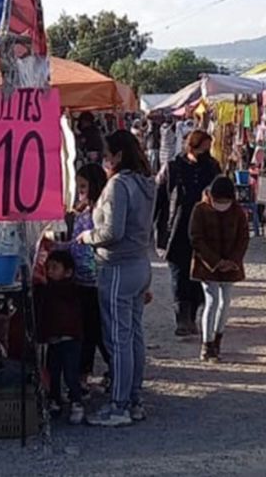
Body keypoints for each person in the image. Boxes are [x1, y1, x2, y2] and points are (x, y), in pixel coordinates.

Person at [78, 130, 155, 427]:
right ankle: (134, 399)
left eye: (108, 154)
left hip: (118, 267)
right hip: (139, 264)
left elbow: (112, 232)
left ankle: (119, 405)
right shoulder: (146, 182)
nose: (105, 159)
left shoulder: (118, 186)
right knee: (134, 336)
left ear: (118, 155)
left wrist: (87, 236)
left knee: (118, 340)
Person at [156, 130, 222, 336]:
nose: (206, 152)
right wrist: (157, 229)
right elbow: (160, 199)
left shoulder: (212, 167)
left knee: (199, 273)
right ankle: (182, 318)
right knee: (179, 273)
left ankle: (192, 315)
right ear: (192, 147)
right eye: (203, 147)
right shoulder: (173, 168)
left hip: (205, 229)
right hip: (177, 227)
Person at [189, 176, 249, 362]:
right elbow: (196, 238)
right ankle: (207, 344)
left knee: (225, 302)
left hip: (231, 265)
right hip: (207, 266)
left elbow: (243, 238)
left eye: (226, 201)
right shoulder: (200, 210)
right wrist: (215, 262)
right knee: (212, 300)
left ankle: (218, 338)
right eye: (218, 201)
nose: (222, 205)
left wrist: (233, 260)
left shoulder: (238, 212)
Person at [66, 164, 111, 387]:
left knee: (96, 330)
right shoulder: (80, 211)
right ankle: (86, 373)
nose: (80, 190)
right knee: (88, 329)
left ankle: (101, 371)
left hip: (96, 279)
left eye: (84, 186)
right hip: (80, 279)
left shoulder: (100, 211)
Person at [34, 250, 86, 425]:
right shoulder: (47, 290)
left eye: (54, 268)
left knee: (71, 374)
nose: (49, 272)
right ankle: (55, 400)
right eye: (48, 268)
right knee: (53, 372)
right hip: (54, 339)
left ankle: (76, 402)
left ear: (68, 272)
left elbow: (56, 294)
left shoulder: (71, 290)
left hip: (71, 339)